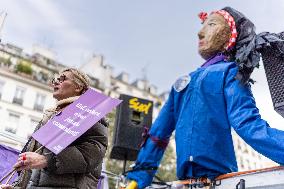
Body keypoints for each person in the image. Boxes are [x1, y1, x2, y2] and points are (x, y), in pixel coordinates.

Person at [126, 7, 284, 189]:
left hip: (224, 181)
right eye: (204, 25)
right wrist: (137, 179)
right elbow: (158, 134)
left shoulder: (230, 73)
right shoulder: (182, 82)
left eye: (212, 24)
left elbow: (248, 125)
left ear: (229, 36)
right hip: (188, 182)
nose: (200, 33)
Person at [0, 68, 108, 189]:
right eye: (55, 79)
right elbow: (32, 166)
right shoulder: (49, 117)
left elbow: (92, 154)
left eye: (62, 79)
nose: (56, 82)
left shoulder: (90, 114)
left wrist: (46, 160)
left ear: (78, 87)